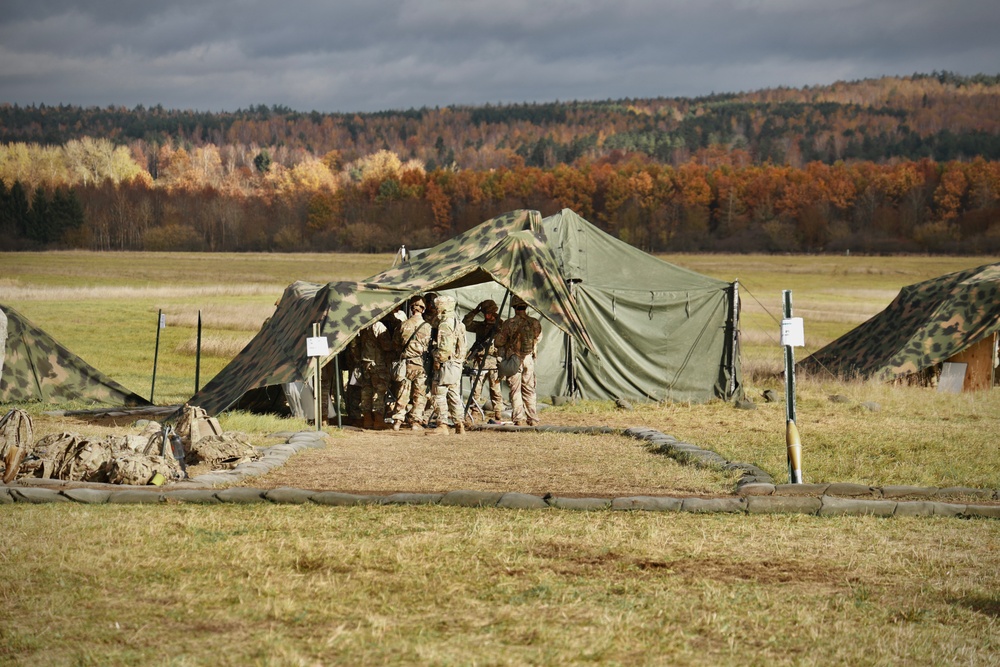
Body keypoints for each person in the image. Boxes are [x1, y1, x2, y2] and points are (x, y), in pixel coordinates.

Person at [494, 295, 543, 426]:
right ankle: (532, 419)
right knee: (529, 389)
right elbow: (538, 338)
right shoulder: (535, 322)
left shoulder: (509, 323)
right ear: (526, 306)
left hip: (514, 359)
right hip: (529, 359)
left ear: (514, 307)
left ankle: (519, 419)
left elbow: (499, 342)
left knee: (515, 390)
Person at [390, 297, 432, 431]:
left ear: (411, 308)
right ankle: (415, 422)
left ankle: (397, 420)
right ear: (423, 309)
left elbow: (395, 344)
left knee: (403, 392)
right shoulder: (428, 327)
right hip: (421, 364)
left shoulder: (403, 325)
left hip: (406, 363)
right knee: (419, 394)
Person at [428, 295, 468, 435]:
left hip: (446, 364)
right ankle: (459, 424)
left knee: (438, 393)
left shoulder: (445, 323)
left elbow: (444, 349)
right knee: (454, 394)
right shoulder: (459, 323)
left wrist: (437, 360)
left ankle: (442, 424)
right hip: (456, 364)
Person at [463, 299, 505, 422]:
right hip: (479, 361)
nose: (487, 315)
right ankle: (474, 411)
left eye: (489, 313)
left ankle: (498, 412)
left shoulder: (500, 326)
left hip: (493, 361)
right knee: (475, 389)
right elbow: (465, 323)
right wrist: (475, 311)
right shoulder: (480, 326)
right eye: (485, 313)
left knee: (495, 389)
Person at [357, 316, 394, 429]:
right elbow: (386, 345)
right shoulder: (378, 326)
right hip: (377, 363)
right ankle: (378, 419)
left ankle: (367, 419)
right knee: (379, 391)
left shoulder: (362, 326)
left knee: (366, 391)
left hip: (365, 362)